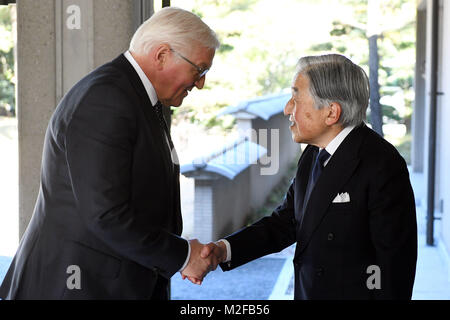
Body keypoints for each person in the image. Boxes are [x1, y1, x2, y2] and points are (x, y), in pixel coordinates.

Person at [0, 7, 220, 300]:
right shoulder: (106, 99)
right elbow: (106, 214)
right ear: (162, 55)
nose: (200, 83)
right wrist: (182, 255)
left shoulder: (136, 97)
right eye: (199, 69)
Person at [199, 54, 418, 300]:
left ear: (331, 113)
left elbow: (394, 268)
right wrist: (223, 250)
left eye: (296, 98)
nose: (287, 109)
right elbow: (287, 221)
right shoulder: (314, 152)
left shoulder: (382, 164)